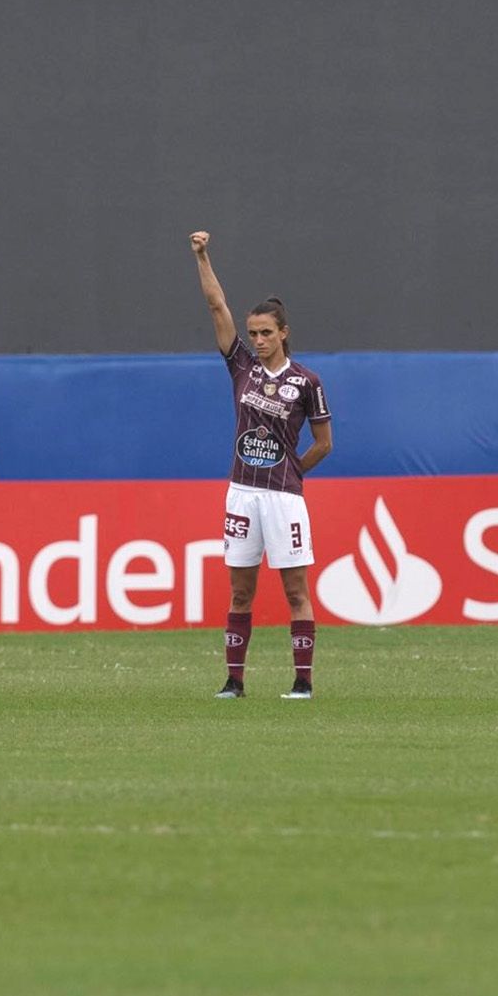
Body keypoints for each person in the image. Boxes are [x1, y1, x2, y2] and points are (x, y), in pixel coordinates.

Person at [189, 231, 334, 699]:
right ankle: (234, 681)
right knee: (240, 592)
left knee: (295, 591)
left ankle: (303, 682)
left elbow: (324, 443)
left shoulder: (307, 382)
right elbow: (217, 306)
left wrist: (293, 470)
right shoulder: (242, 368)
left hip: (284, 498)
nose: (258, 340)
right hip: (242, 493)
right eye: (253, 333)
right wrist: (202, 256)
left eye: (266, 333)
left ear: (284, 333)